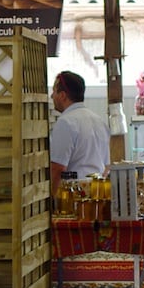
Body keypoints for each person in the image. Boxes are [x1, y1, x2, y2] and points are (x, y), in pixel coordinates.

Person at [50, 70, 110, 199]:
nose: (51, 96)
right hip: (98, 194)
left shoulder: (65, 122)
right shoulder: (99, 120)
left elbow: (58, 168)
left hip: (75, 195)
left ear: (62, 95)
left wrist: (52, 200)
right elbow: (106, 167)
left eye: (54, 91)